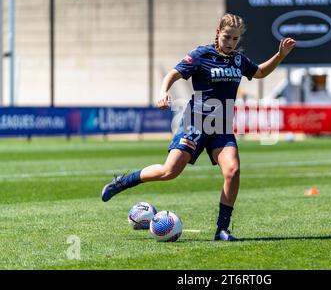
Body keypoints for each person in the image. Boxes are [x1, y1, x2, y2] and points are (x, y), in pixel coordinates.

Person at [101, 13, 296, 241]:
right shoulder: (201, 54)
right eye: (227, 37)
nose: (231, 42)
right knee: (169, 172)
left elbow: (260, 72)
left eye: (235, 39)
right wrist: (163, 92)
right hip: (195, 123)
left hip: (221, 127)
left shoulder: (238, 60)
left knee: (232, 172)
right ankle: (122, 182)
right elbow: (173, 74)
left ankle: (222, 229)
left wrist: (280, 56)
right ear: (217, 33)